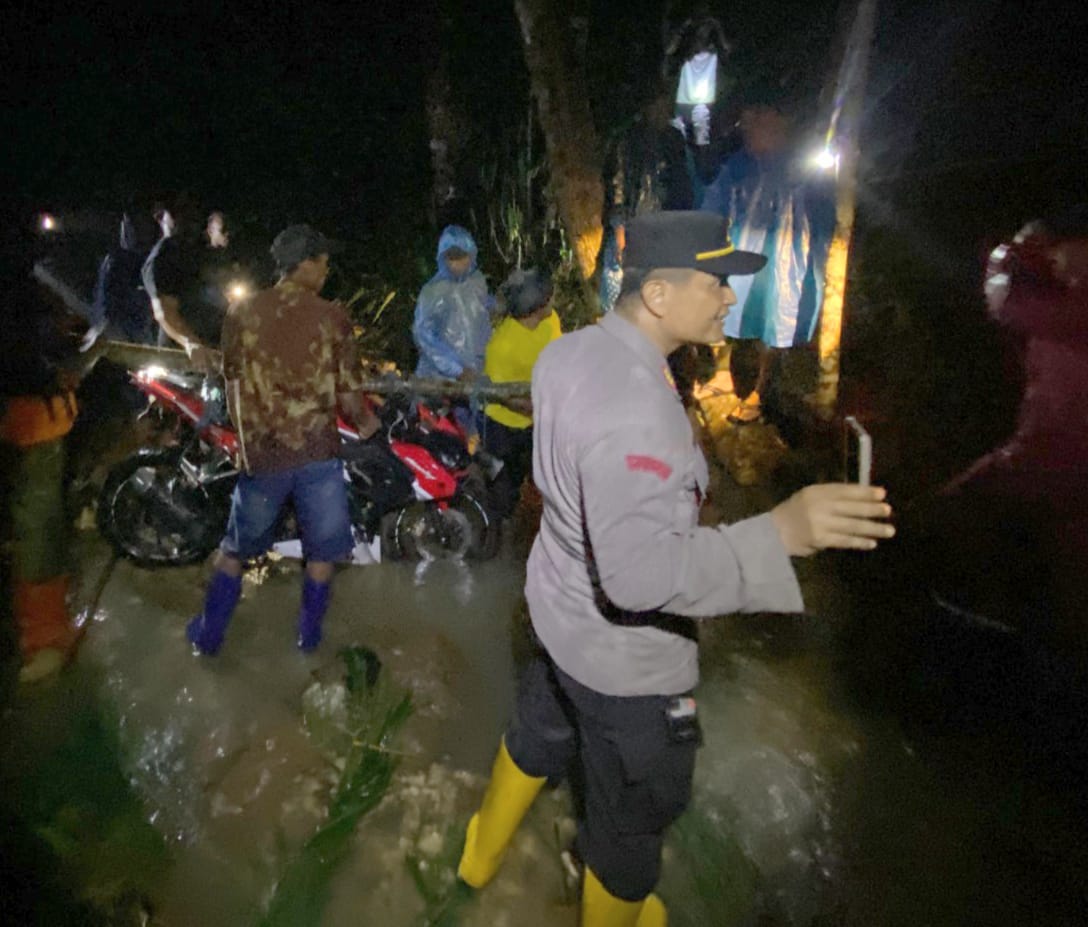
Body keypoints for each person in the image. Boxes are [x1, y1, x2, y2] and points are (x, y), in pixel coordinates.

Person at [457, 211, 894, 926]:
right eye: (716, 283)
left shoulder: (569, 353)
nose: (728, 299)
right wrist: (781, 531)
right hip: (624, 664)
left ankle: (478, 856)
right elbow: (638, 577)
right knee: (631, 825)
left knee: (540, 731)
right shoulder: (639, 414)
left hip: (559, 617)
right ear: (658, 294)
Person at [185, 225, 379, 656]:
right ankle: (307, 640)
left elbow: (232, 385)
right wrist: (367, 424)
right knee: (321, 555)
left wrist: (246, 444)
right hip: (317, 455)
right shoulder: (332, 317)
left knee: (235, 550)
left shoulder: (243, 314)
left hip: (264, 457)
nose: (327, 272)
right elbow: (349, 396)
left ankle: (208, 636)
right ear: (305, 265)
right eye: (323, 263)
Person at [924, 206, 1088, 637]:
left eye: (1060, 252)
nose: (1054, 261)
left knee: (957, 508)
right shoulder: (1066, 298)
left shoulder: (1072, 304)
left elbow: (1005, 303)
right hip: (1051, 453)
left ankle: (986, 619)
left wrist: (1010, 253)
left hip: (1054, 456)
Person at [699, 105, 835, 422]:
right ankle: (735, 382)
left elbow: (823, 213)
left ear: (779, 123)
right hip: (746, 253)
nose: (748, 128)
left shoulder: (802, 166)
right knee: (736, 316)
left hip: (786, 259)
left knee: (774, 325)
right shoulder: (739, 165)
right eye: (746, 121)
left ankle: (759, 395)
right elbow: (714, 206)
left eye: (757, 121)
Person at [1, 301, 83, 683]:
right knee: (37, 527)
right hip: (32, 413)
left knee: (38, 526)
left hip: (32, 416)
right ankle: (42, 636)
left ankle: (45, 637)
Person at [482, 268, 562, 518]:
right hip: (504, 425)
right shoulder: (502, 345)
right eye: (548, 297)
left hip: (536, 420)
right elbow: (505, 397)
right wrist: (544, 408)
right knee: (504, 491)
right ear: (535, 305)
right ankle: (499, 538)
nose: (553, 301)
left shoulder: (551, 321)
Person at [142, 206, 238, 367]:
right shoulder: (163, 257)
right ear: (160, 218)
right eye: (175, 213)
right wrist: (191, 343)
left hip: (217, 353)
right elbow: (164, 311)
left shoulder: (197, 254)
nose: (184, 218)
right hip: (184, 361)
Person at [412, 225, 494, 381]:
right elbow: (424, 336)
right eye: (451, 257)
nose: (457, 263)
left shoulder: (477, 282)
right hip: (440, 381)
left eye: (462, 256)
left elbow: (480, 310)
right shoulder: (433, 291)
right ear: (443, 258)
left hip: (476, 375)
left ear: (471, 255)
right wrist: (456, 370)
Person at [81, 211, 158, 350]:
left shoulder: (151, 260)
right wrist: (98, 327)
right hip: (119, 332)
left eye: (137, 227)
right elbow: (103, 296)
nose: (132, 231)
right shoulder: (113, 261)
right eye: (128, 226)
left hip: (142, 334)